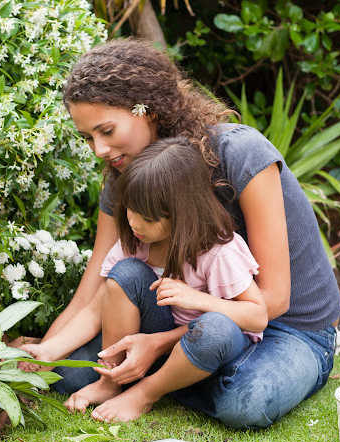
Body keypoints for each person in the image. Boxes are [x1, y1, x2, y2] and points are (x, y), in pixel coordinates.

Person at [19, 38, 340, 428]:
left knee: (247, 402)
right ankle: (182, 374)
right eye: (88, 138)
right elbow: (95, 289)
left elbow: (271, 302)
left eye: (106, 130)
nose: (98, 150)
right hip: (183, 314)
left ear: (147, 109)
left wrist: (156, 344)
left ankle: (158, 382)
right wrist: (42, 360)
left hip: (284, 329)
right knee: (70, 377)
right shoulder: (123, 179)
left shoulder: (240, 154)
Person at [64, 136, 269, 422]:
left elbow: (258, 317)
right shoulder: (135, 241)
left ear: (181, 214)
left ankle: (145, 393)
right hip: (154, 341)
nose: (134, 223)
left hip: (208, 350)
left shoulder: (219, 251)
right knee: (67, 374)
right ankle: (111, 381)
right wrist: (46, 352)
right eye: (130, 210)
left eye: (147, 218)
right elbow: (100, 304)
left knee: (214, 330)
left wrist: (198, 299)